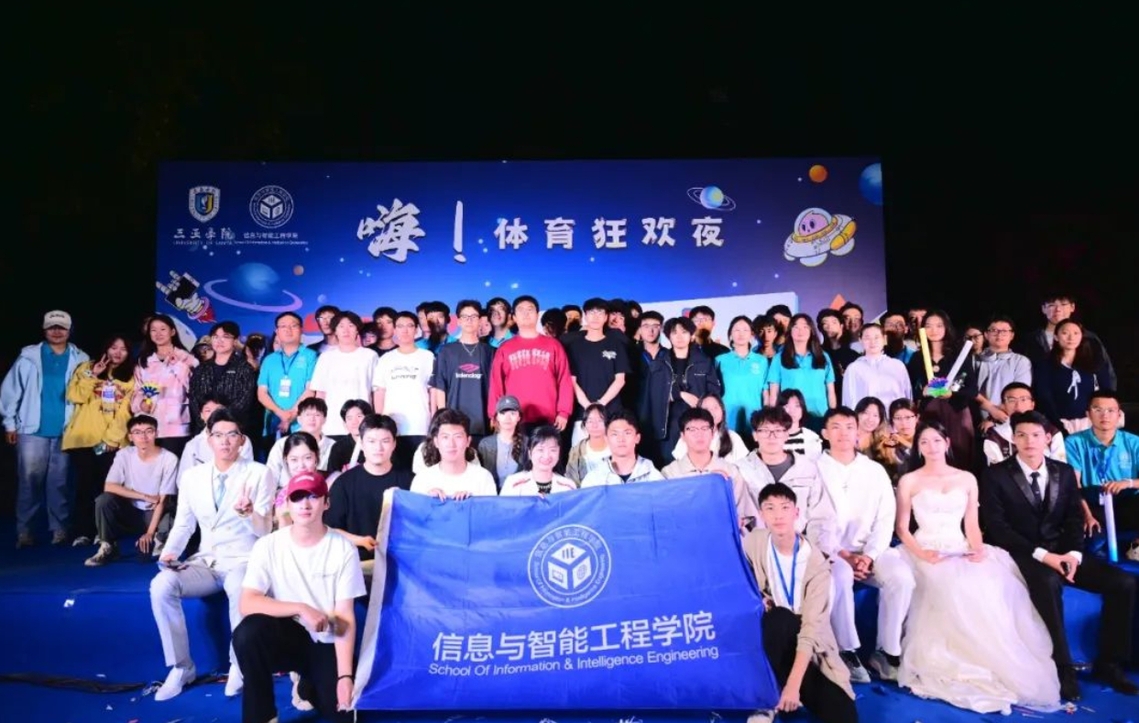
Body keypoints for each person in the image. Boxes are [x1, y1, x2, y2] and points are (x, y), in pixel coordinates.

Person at [895, 420, 1061, 714]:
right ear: (918, 448)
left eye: (937, 440)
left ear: (947, 443)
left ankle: (995, 661)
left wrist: (978, 548)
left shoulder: (967, 478)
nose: (931, 447)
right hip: (924, 548)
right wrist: (923, 553)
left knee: (990, 583)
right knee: (950, 585)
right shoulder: (910, 480)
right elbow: (902, 528)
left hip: (958, 545)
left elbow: (971, 523)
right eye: (924, 442)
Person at [982, 411, 1137, 700]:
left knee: (1124, 583)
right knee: (1048, 583)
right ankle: (1063, 667)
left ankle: (1110, 663)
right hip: (1021, 552)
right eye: (1022, 435)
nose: (1029, 441)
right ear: (1013, 439)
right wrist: (1044, 556)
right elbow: (998, 528)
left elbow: (1074, 519)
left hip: (1064, 551)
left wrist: (1074, 554)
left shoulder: (1063, 472)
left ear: (1048, 438)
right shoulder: (995, 475)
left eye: (1036, 435)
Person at [150, 409, 275, 701]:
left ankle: (238, 663)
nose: (225, 441)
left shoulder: (259, 473)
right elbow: (184, 524)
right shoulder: (192, 477)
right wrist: (170, 553)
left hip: (244, 559)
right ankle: (181, 667)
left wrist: (248, 513)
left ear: (242, 440)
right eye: (218, 435)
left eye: (232, 435)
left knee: (238, 586)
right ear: (208, 439)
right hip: (206, 561)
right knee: (161, 586)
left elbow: (266, 530)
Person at [234, 471, 366, 723]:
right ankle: (262, 716)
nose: (305, 504)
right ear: (287, 504)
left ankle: (309, 685)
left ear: (326, 503)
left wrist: (344, 677)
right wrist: (301, 608)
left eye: (313, 496)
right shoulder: (268, 545)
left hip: (325, 641)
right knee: (248, 634)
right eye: (297, 497)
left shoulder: (343, 548)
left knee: (346, 715)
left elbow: (344, 617)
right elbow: (247, 602)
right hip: (286, 636)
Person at [742, 483, 858, 723]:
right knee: (778, 618)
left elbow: (810, 630)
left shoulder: (816, 565)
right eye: (770, 508)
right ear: (761, 515)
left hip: (810, 645)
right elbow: (739, 575)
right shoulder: (755, 541)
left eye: (785, 507)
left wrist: (794, 686)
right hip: (773, 633)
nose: (778, 515)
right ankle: (766, 699)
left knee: (845, 715)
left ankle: (789, 687)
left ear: (796, 513)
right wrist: (760, 597)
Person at [1, 310, 89, 546]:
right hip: (32, 431)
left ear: (70, 330)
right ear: (44, 329)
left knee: (60, 483)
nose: (57, 331)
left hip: (66, 431)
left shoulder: (81, 358)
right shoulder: (28, 357)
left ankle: (59, 530)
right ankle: (25, 531)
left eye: (62, 327)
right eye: (52, 327)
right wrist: (9, 423)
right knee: (29, 482)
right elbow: (10, 390)